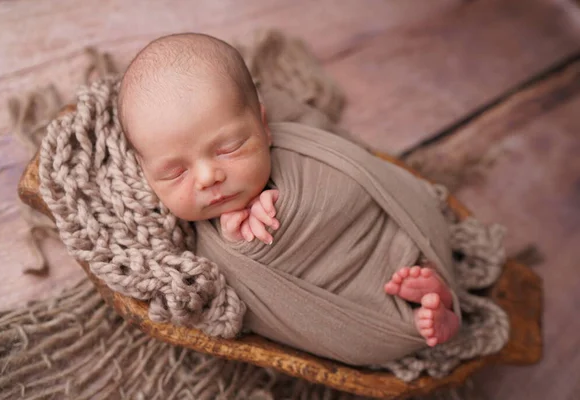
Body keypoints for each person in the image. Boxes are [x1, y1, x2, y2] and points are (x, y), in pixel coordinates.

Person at [116, 32, 459, 354]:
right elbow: (233, 298)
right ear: (145, 174)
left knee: (404, 250)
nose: (208, 177)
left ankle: (432, 282)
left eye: (229, 148)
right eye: (175, 172)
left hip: (373, 236)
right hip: (339, 315)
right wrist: (239, 243)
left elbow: (350, 169)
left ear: (264, 126)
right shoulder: (178, 249)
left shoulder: (295, 142)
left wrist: (288, 205)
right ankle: (423, 316)